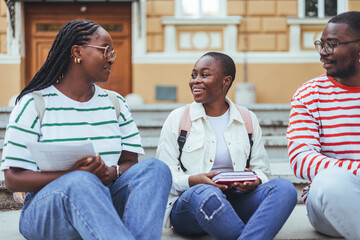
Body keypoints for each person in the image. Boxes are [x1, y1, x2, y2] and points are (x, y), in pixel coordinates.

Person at [1, 20, 172, 240]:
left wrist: (112, 173)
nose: (111, 58)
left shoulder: (115, 103)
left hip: (106, 203)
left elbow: (130, 163)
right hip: (47, 212)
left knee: (155, 169)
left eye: (113, 52)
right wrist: (75, 174)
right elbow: (13, 179)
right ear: (77, 52)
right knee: (81, 181)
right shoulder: (34, 104)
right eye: (105, 50)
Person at [156, 52, 297, 240]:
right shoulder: (179, 118)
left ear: (225, 81)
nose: (195, 81)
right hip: (191, 205)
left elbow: (262, 170)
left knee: (284, 189)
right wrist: (193, 180)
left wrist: (255, 180)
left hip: (235, 201)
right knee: (207, 192)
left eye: (204, 75)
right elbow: (165, 177)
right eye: (193, 75)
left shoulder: (247, 118)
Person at [287, 11, 360, 240]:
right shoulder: (309, 94)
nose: (323, 52)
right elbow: (301, 157)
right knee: (331, 181)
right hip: (331, 200)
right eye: (321, 44)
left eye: (332, 44)